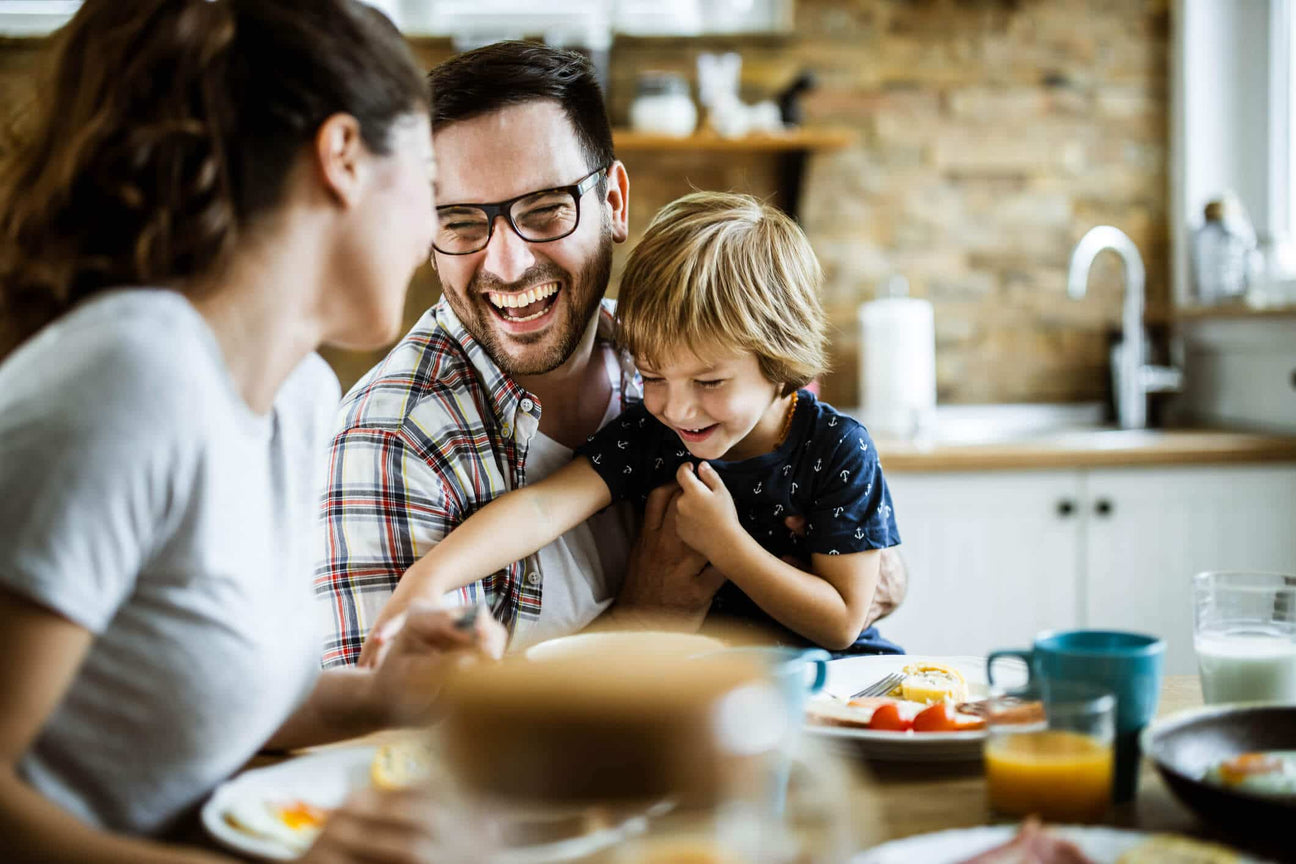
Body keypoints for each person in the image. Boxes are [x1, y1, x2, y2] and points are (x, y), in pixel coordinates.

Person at [0, 2, 503, 863]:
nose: (431, 235)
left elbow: (186, 696)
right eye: (427, 182)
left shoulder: (300, 398)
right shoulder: (135, 376)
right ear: (342, 156)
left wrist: (381, 696)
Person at [318, 40, 908, 667]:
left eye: (545, 210)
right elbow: (406, 739)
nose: (508, 263)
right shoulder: (393, 439)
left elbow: (859, 597)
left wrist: (840, 560)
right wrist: (649, 621)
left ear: (615, 204)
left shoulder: (667, 355)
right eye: (460, 221)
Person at [361, 192, 901, 652]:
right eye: (654, 376)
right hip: (706, 690)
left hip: (833, 686)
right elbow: (543, 507)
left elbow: (842, 622)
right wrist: (428, 579)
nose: (677, 408)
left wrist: (726, 543)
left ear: (781, 360)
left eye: (709, 383)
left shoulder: (836, 448)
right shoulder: (654, 435)